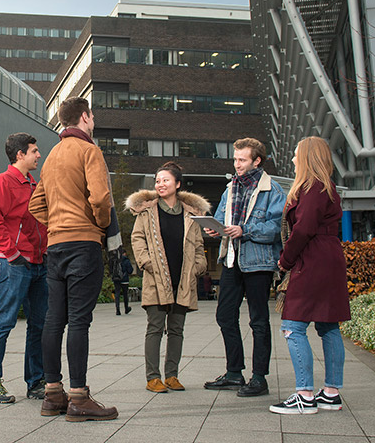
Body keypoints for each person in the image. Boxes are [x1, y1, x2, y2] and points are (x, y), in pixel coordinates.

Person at [28, 96, 118, 422]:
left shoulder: (51, 156)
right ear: (85, 117)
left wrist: (56, 224)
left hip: (56, 246)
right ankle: (79, 397)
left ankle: (53, 394)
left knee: (55, 319)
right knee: (80, 320)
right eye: (92, 116)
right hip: (84, 244)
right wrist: (99, 223)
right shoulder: (89, 150)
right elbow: (101, 197)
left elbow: (35, 204)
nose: (93, 120)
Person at [269, 136, 350, 415]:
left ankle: (304, 394)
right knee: (328, 326)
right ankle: (330, 393)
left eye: (296, 155)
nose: (292, 159)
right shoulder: (326, 187)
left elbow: (303, 229)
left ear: (307, 157)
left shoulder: (311, 187)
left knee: (293, 326)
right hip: (328, 258)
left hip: (312, 260)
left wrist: (285, 260)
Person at [204, 138, 286, 397]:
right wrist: (214, 228)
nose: (237, 164)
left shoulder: (272, 190)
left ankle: (260, 378)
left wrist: (245, 230)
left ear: (257, 161)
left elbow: (275, 228)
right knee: (224, 315)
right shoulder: (230, 189)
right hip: (231, 259)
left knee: (259, 321)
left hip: (258, 262)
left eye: (242, 160)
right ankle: (234, 372)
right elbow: (220, 218)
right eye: (235, 159)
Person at [126, 161, 209, 393]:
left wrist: (198, 266)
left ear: (178, 184)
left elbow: (200, 246)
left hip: (181, 280)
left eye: (166, 180)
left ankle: (172, 375)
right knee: (154, 328)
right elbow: (137, 239)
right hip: (155, 278)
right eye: (158, 180)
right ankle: (153, 377)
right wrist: (146, 262)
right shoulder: (146, 211)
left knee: (176, 330)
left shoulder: (191, 214)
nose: (160, 184)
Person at [0, 133, 49, 404]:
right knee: (5, 321)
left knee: (39, 325)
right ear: (20, 154)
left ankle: (36, 383)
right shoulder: (3, 181)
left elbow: (40, 223)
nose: (38, 155)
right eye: (34, 151)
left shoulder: (34, 185)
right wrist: (13, 254)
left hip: (38, 263)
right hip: (14, 263)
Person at [108, 247, 133, 315]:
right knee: (125, 294)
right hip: (124, 279)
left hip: (116, 279)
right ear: (124, 253)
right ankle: (126, 308)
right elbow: (130, 270)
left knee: (117, 293)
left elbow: (111, 269)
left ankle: (117, 309)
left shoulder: (115, 259)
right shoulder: (126, 260)